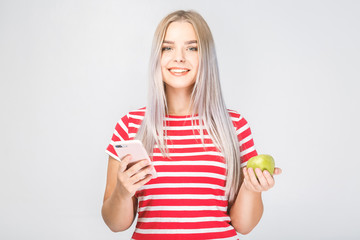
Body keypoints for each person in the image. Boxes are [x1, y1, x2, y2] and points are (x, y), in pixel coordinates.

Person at [101, 10, 282, 240]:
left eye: (192, 48)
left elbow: (244, 226)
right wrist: (122, 192)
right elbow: (115, 224)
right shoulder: (130, 126)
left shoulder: (234, 126)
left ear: (205, 56)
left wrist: (250, 188)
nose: (179, 57)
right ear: (157, 56)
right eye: (168, 48)